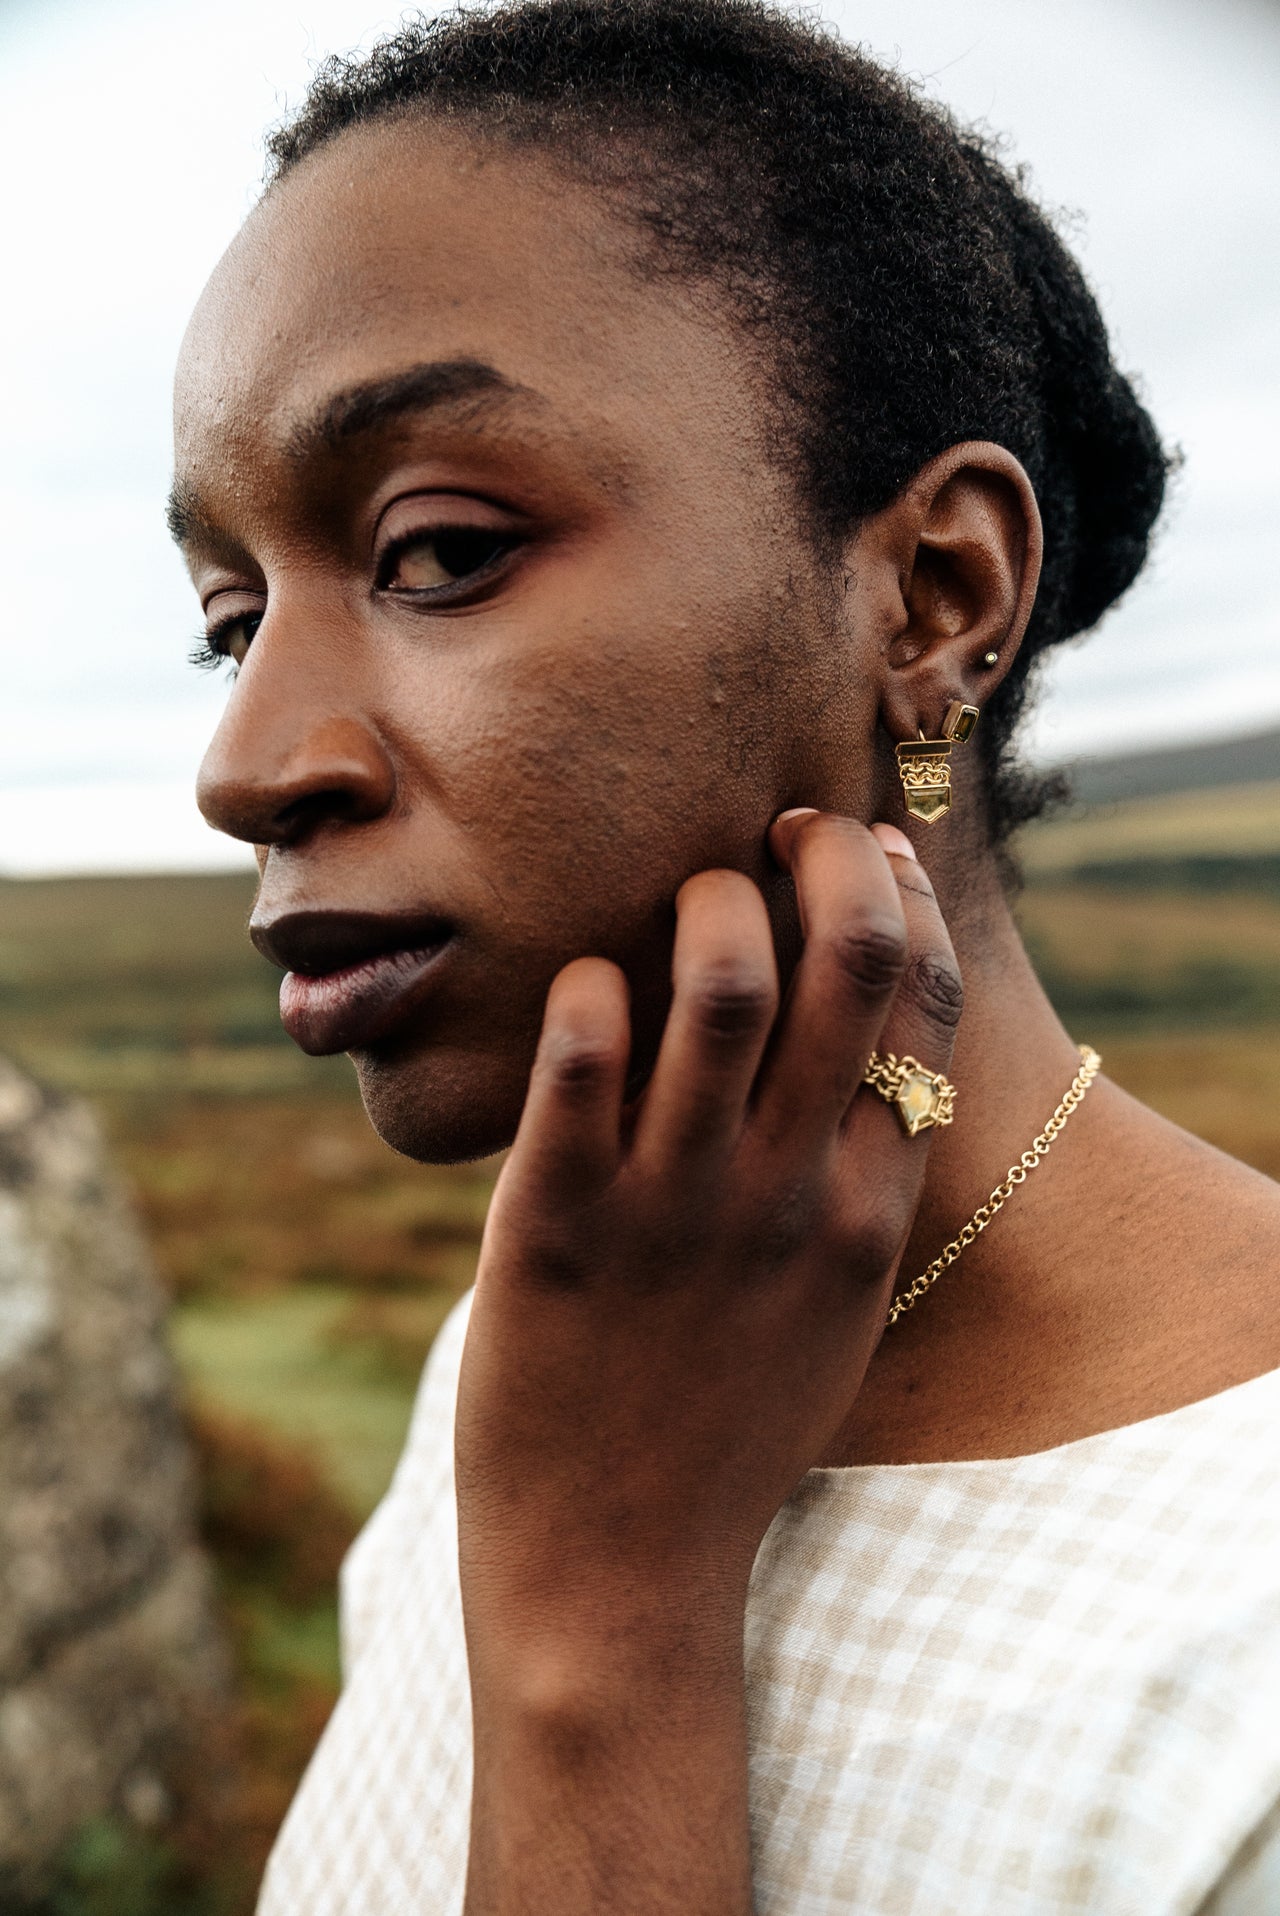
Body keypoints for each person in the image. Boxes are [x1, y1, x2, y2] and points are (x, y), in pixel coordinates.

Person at [172, 2, 1280, 1908]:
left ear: (937, 598)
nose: (248, 766)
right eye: (230, 616)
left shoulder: (1240, 1659)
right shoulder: (578, 1340)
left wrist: (606, 1624)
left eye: (436, 553)